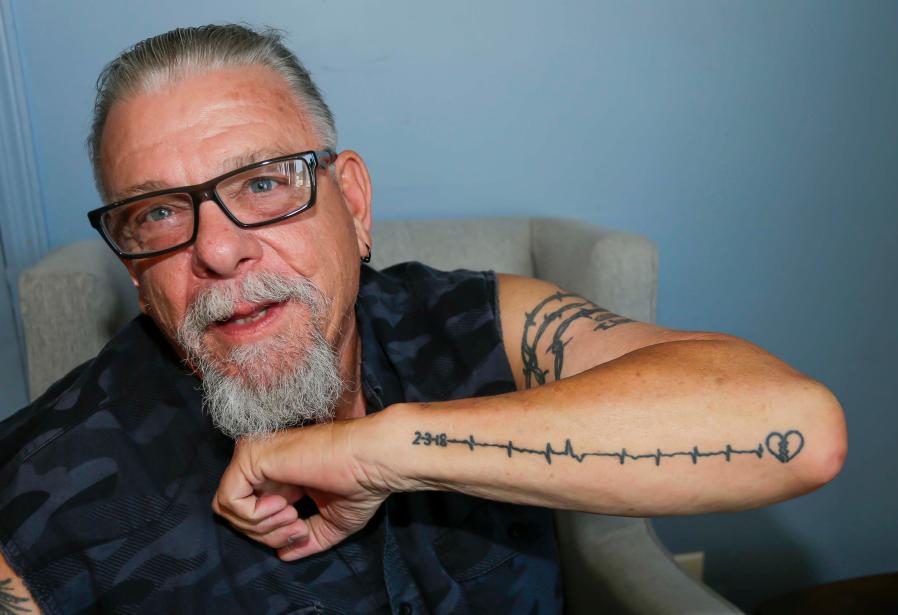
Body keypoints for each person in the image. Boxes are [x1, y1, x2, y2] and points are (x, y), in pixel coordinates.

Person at [0, 24, 846, 614]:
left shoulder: (466, 320)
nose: (218, 252)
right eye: (157, 215)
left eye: (263, 183)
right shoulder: (42, 494)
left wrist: (381, 449)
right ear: (131, 264)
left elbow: (798, 428)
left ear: (355, 204)